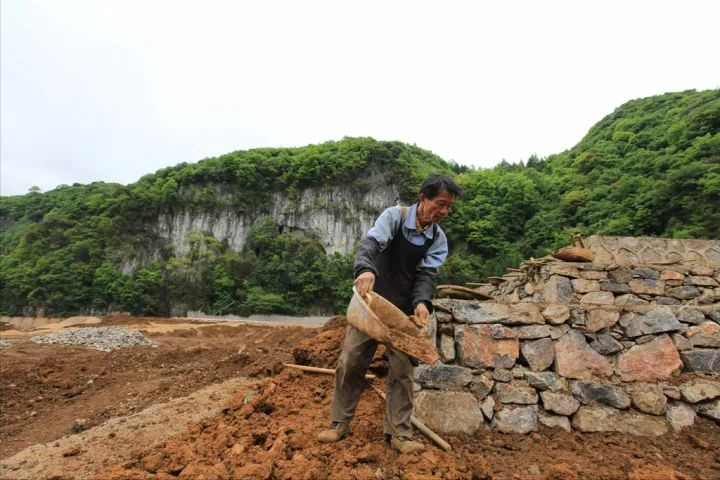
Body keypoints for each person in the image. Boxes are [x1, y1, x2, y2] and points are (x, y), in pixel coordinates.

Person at [317, 173, 461, 454]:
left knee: (402, 371)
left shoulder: (437, 239)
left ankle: (399, 434)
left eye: (449, 207)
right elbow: (369, 246)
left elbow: (426, 277)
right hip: (372, 305)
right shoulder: (394, 217)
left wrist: (422, 304)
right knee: (350, 361)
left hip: (403, 314)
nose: (444, 211)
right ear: (423, 198)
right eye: (441, 204)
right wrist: (365, 270)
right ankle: (338, 422)